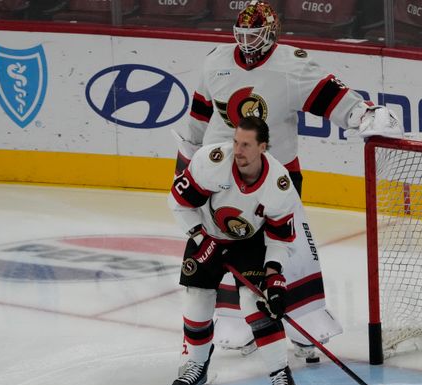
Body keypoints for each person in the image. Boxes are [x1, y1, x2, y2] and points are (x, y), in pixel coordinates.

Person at [172, 0, 403, 361]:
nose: (247, 43)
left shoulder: (291, 66)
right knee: (227, 247)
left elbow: (333, 96)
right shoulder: (216, 59)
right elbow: (199, 117)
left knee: (285, 247)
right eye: (242, 35)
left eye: (255, 35)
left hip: (274, 178)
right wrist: (185, 163)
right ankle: (235, 320)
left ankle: (303, 322)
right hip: (219, 177)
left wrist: (364, 113)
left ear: (271, 33)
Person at [168, 117, 303, 385]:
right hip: (206, 234)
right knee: (197, 298)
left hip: (250, 243)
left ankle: (283, 381)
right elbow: (178, 202)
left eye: (246, 145)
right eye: (236, 142)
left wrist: (274, 276)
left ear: (263, 147)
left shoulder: (279, 183)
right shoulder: (211, 161)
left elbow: (281, 236)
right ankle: (196, 366)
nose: (237, 150)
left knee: (256, 305)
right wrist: (201, 239)